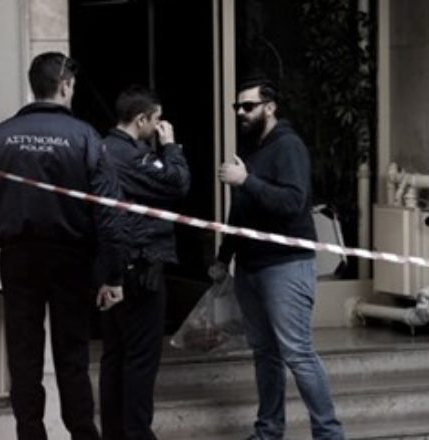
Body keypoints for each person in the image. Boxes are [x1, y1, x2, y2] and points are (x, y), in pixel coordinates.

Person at [0, 52, 130, 440]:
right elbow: (109, 212)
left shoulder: (0, 137)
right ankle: (83, 434)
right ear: (65, 86)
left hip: (18, 260)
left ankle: (30, 433)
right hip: (72, 260)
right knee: (72, 358)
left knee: (23, 359)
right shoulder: (85, 137)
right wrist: (113, 274)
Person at [209, 78, 345, 440]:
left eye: (248, 106)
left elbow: (293, 203)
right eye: (237, 107)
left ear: (269, 108)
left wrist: (246, 181)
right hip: (250, 267)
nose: (241, 112)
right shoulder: (253, 148)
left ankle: (329, 434)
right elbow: (240, 209)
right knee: (264, 354)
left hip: (286, 265)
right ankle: (268, 431)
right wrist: (224, 257)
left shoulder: (288, 146)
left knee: (298, 353)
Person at [99, 86, 190, 440]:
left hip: (113, 265)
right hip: (140, 264)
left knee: (114, 355)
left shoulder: (102, 148)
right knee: (140, 358)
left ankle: (114, 432)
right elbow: (178, 184)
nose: (159, 126)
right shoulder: (130, 155)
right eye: (157, 120)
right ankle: (137, 433)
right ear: (141, 119)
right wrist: (170, 147)